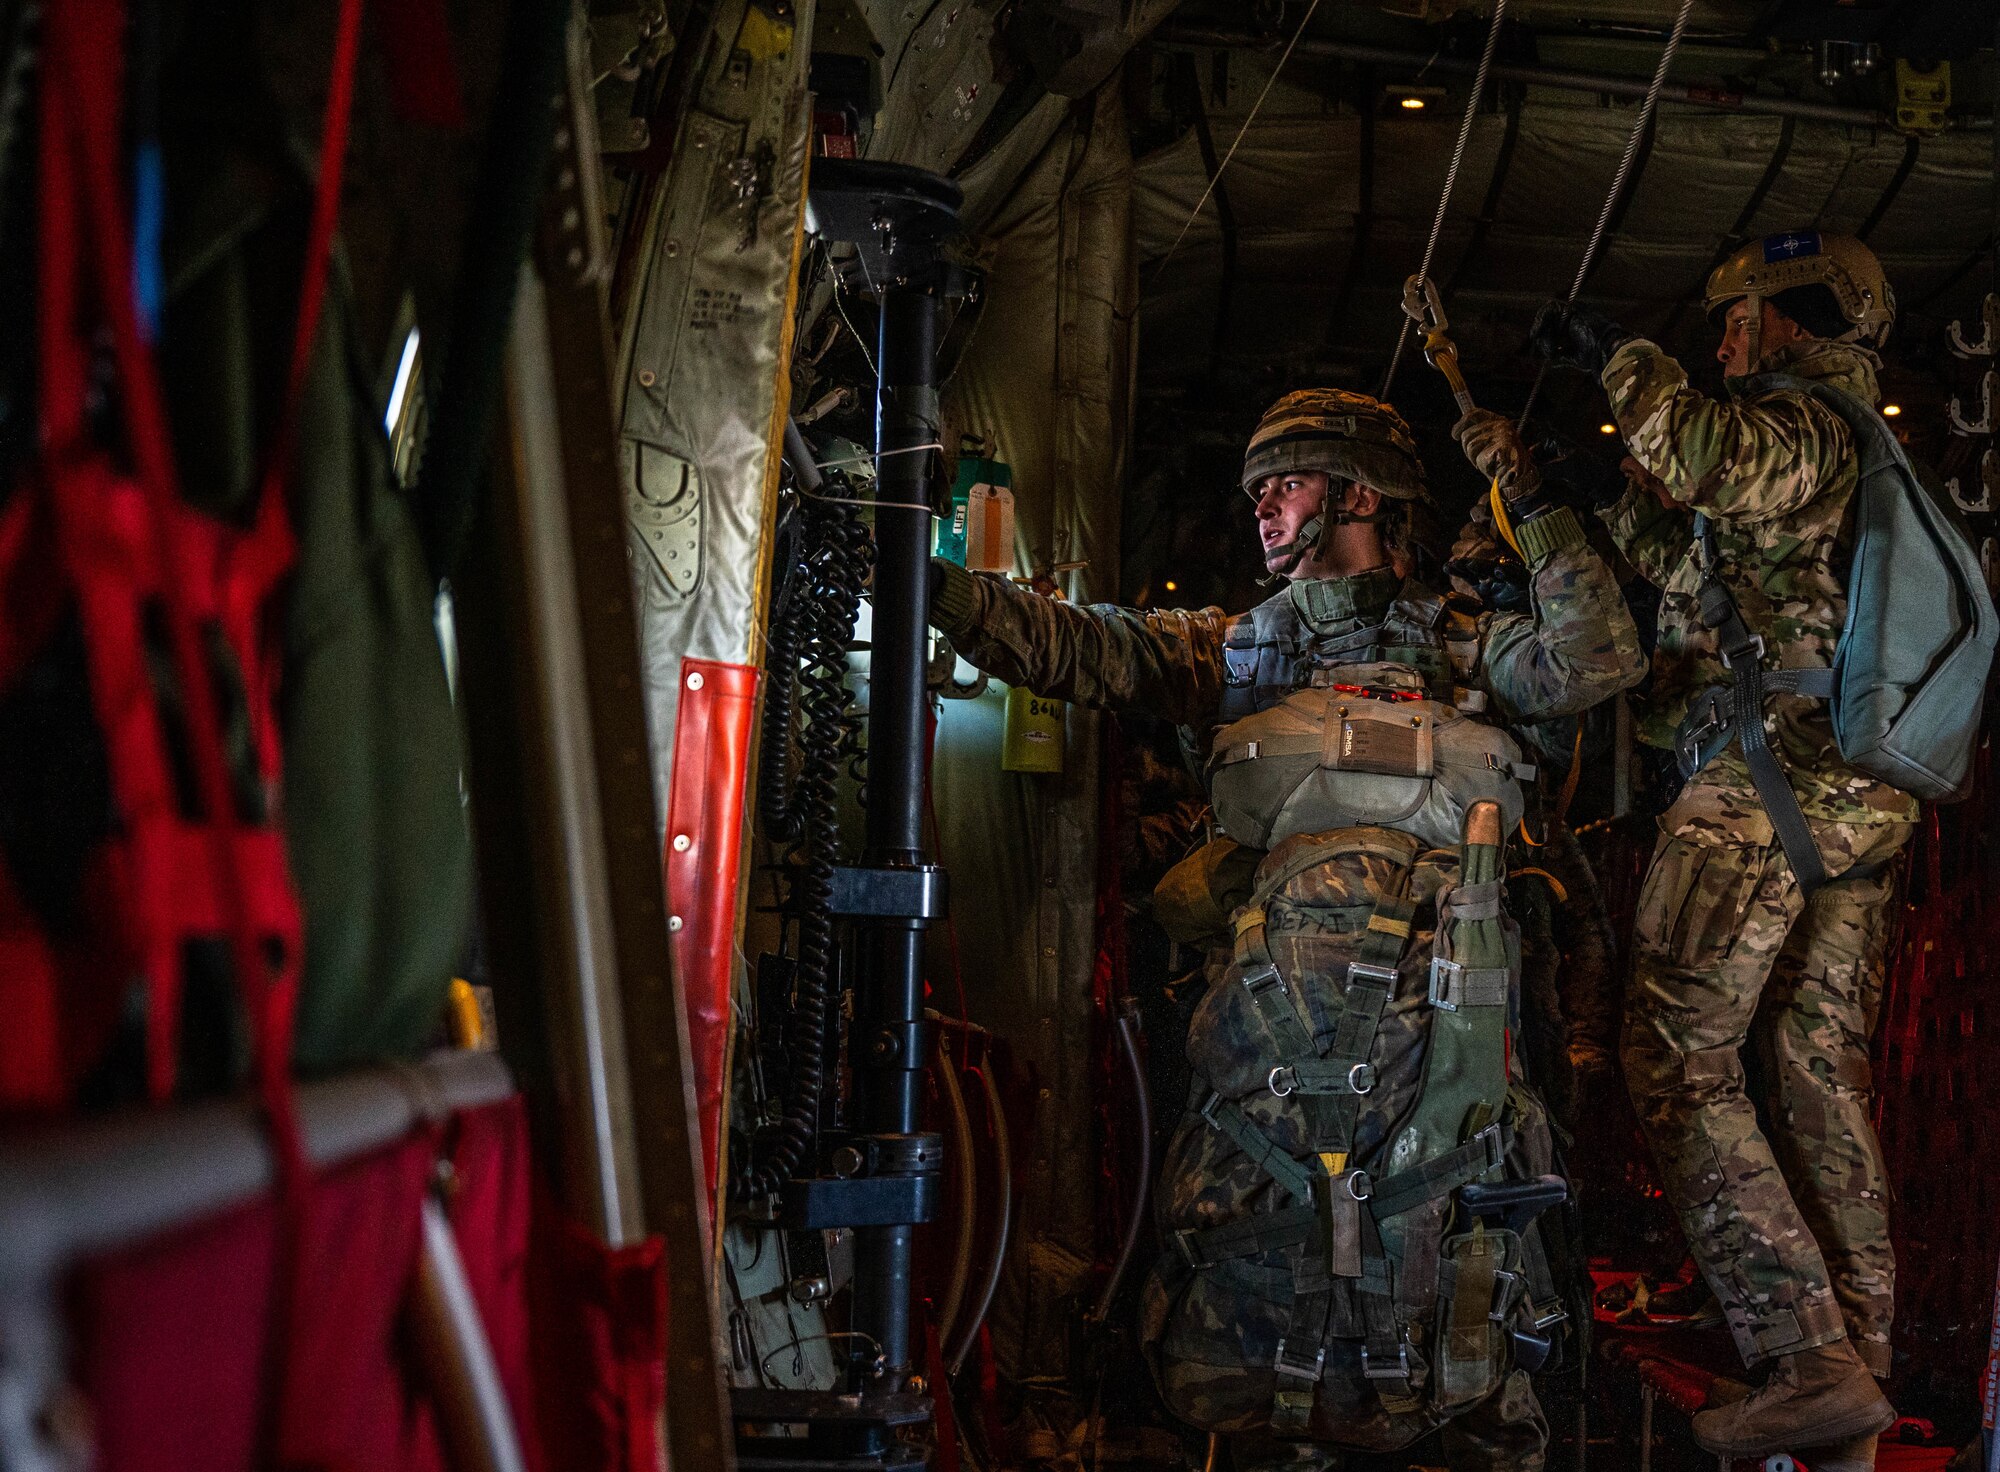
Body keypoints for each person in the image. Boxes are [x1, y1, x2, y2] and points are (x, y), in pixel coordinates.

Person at [929, 390, 1644, 1470]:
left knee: (1459, 1263)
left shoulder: (1462, 646)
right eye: (1256, 488)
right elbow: (1077, 646)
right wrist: (926, 581)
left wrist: (1533, 504)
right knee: (1257, 1279)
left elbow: (1595, 659)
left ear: (1358, 493)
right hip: (1266, 1047)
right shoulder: (1235, 653)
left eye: (1286, 483)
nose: (1260, 507)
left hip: (1447, 1045)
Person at [1528, 232, 1909, 1467]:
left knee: (1673, 1051)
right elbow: (1693, 549)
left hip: (1767, 777)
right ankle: (1851, 1369)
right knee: (1811, 1076)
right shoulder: (1817, 461)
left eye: (1735, 319)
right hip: (1841, 789)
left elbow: (1697, 449)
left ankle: (1802, 1357)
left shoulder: (1814, 418)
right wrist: (1576, 497)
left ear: (1790, 316)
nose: (1722, 341)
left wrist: (1618, 359)